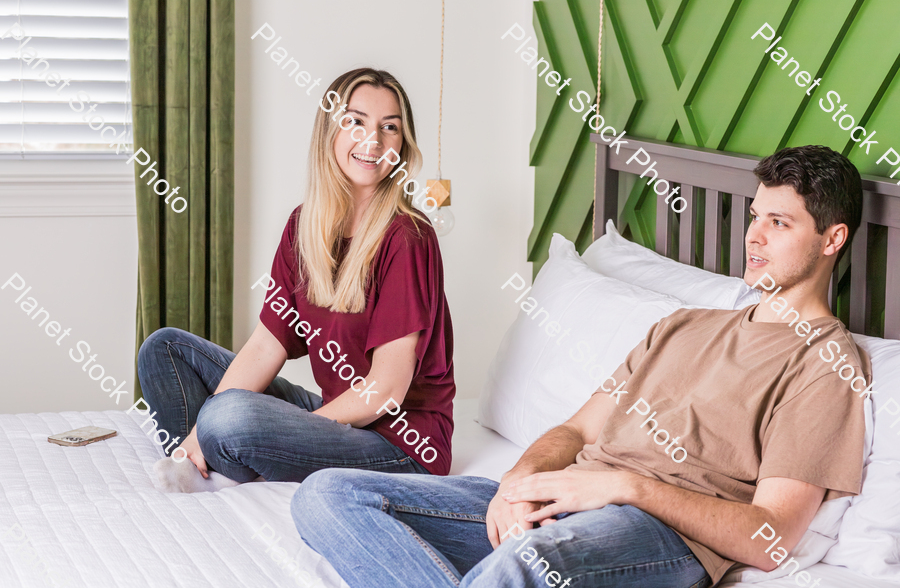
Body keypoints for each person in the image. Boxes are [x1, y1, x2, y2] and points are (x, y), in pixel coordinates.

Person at [290, 145, 869, 588]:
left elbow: (771, 537)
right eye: (756, 216)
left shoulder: (826, 364)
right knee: (326, 495)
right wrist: (518, 484)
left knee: (522, 561)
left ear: (832, 238)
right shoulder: (684, 325)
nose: (754, 237)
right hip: (566, 497)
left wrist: (624, 486)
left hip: (657, 532)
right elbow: (575, 430)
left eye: (780, 223)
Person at [137, 68, 455, 493]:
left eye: (389, 127)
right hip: (337, 413)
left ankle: (228, 459)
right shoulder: (304, 226)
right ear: (329, 131)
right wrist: (197, 432)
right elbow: (267, 345)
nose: (373, 140)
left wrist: (295, 431)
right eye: (355, 121)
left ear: (402, 144)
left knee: (231, 417)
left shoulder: (408, 236)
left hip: (401, 443)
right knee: (164, 349)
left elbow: (386, 390)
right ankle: (207, 457)